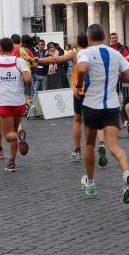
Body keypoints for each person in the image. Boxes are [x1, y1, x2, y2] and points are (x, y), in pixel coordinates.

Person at [76, 24, 129, 203]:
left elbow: (81, 69)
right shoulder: (116, 53)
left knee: (89, 143)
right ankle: (127, 173)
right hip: (111, 105)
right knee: (114, 146)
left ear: (88, 37)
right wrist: (117, 76)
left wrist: (79, 85)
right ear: (104, 36)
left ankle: (91, 182)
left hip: (91, 105)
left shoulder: (85, 52)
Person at [38, 33, 90, 161]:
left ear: (77, 43)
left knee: (77, 120)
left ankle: (78, 150)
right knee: (92, 122)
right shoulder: (93, 53)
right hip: (92, 91)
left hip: (78, 90)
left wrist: (38, 60)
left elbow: (55, 60)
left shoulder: (74, 54)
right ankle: (98, 145)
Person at [0, 37, 32, 172]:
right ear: (12, 48)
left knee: (9, 135)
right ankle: (12, 162)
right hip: (18, 102)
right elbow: (28, 79)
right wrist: (27, 81)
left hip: (4, 103)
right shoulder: (20, 61)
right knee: (15, 128)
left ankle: (18, 136)